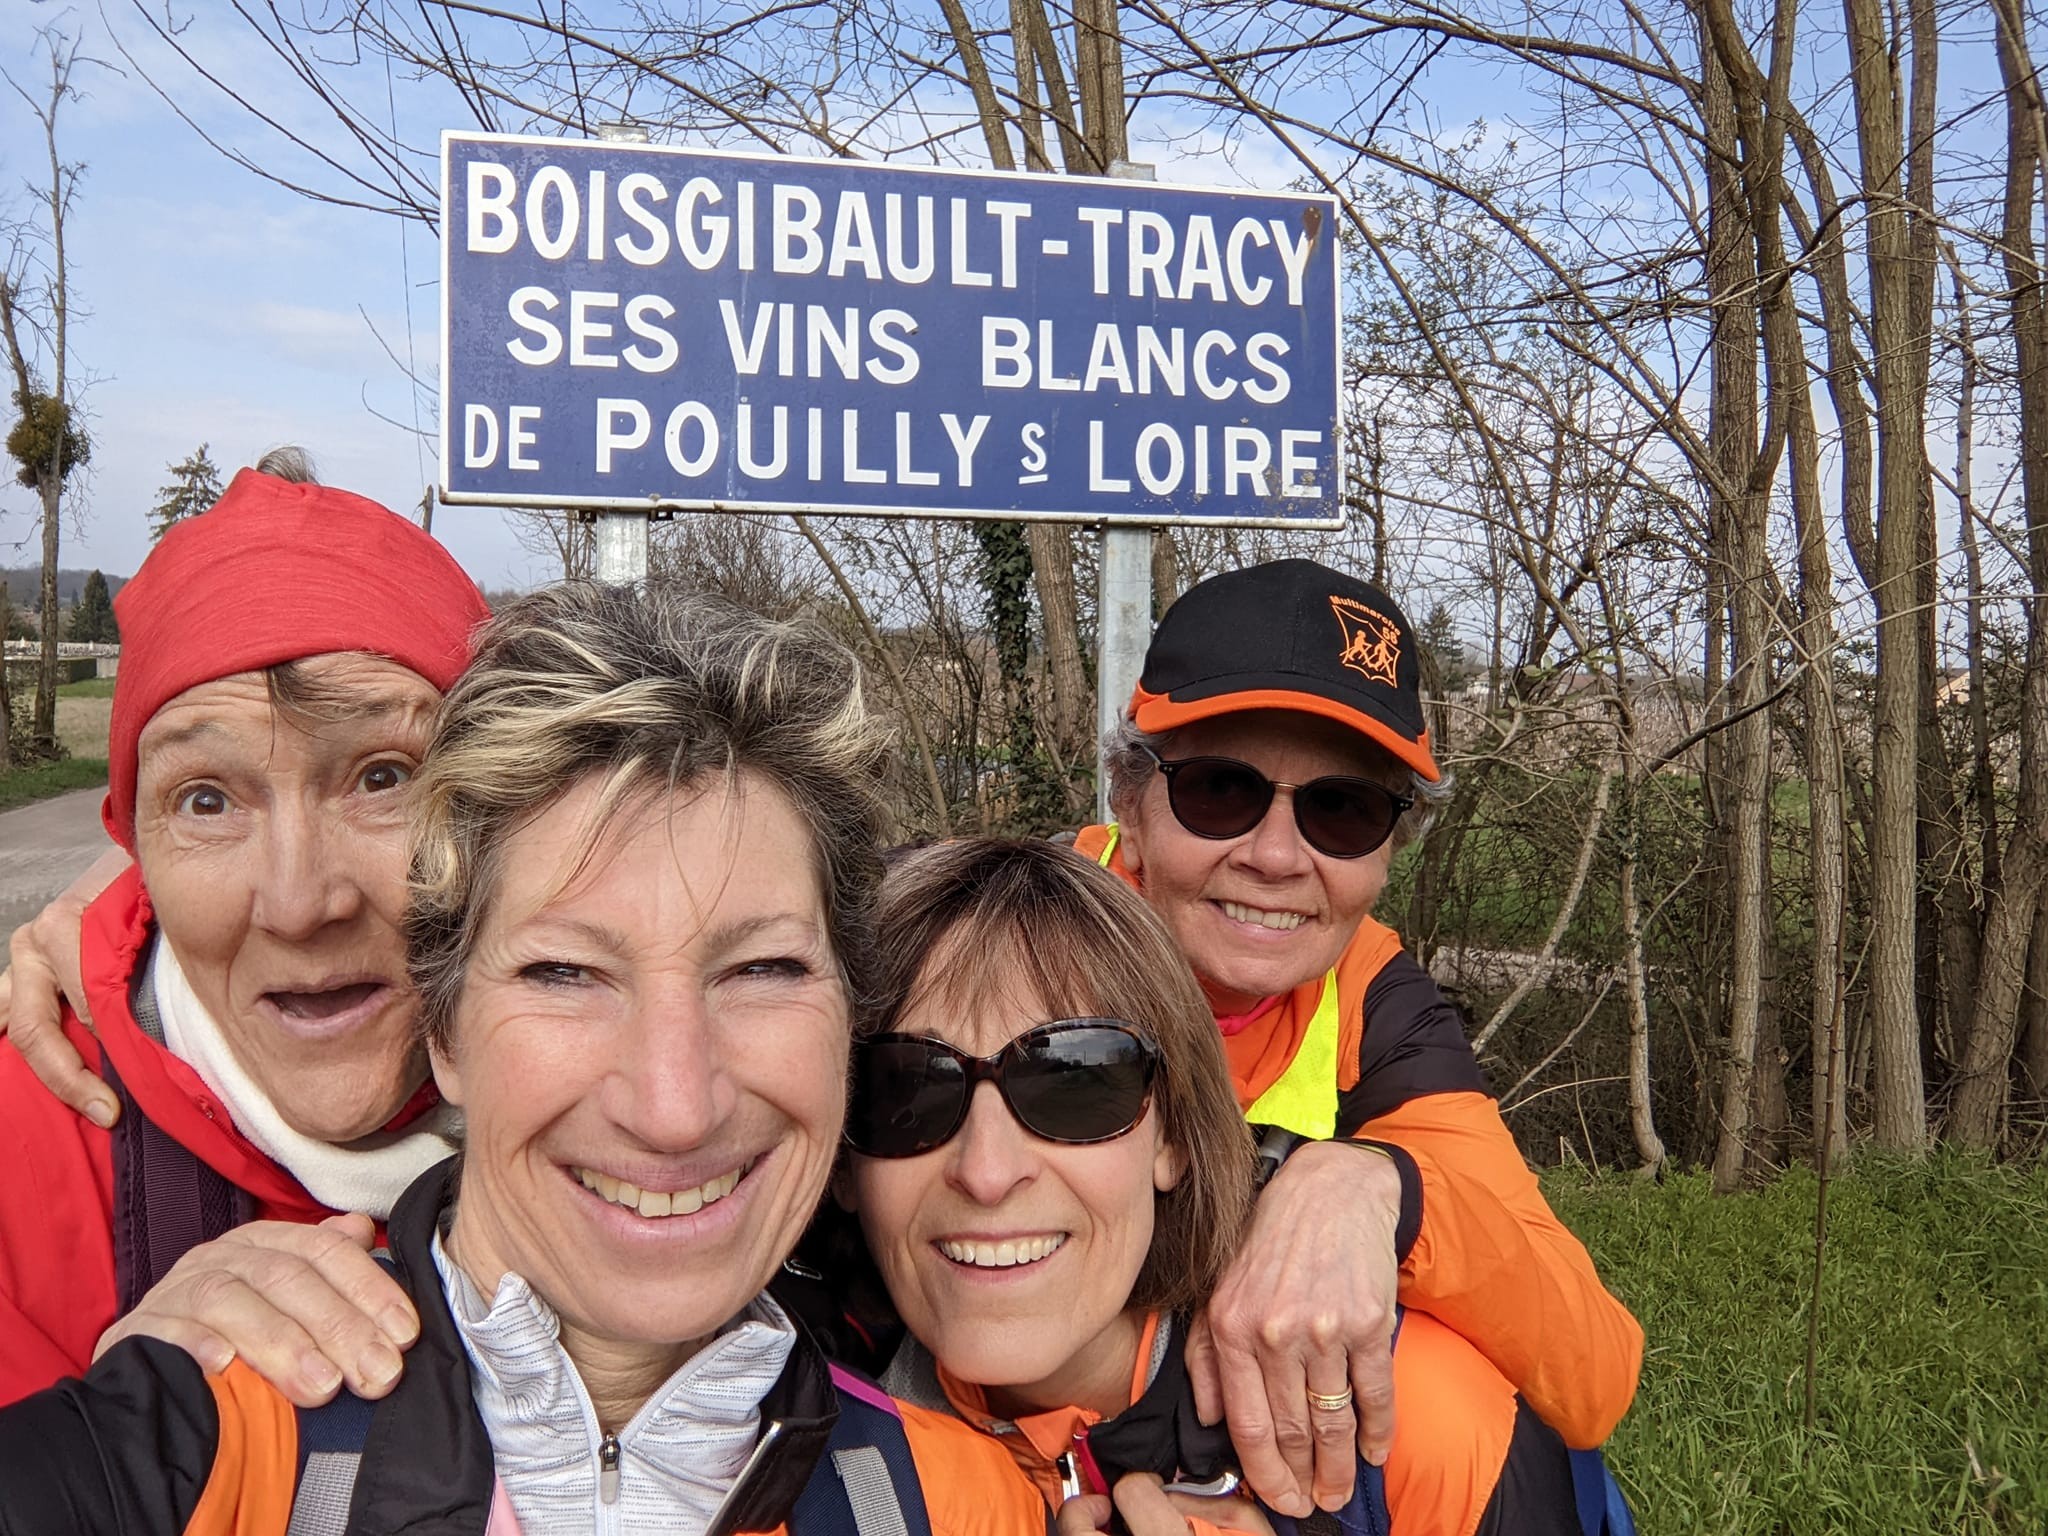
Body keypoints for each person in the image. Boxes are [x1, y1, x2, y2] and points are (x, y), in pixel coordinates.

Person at [0, 584, 1055, 1536]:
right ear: (444, 1031)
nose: (675, 1107)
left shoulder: (972, 1504)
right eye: (562, 974)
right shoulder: (179, 1455)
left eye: (763, 970)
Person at [838, 837, 1631, 1536]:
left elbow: (1592, 1368)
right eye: (909, 1089)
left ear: (1176, 1136)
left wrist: (1373, 1184)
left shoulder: (1403, 1416)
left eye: (1074, 1083)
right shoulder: (793, 1460)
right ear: (839, 1155)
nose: (985, 1170)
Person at [1073, 558, 1642, 1505]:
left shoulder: (1372, 997)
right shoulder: (1015, 954)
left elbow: (1594, 1369)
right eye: (1220, 788)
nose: (1275, 857)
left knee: (1456, 1409)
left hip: (1262, 1461)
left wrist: (1382, 1190)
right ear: (1129, 806)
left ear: (1389, 848)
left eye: (1342, 809)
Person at [0, 462, 490, 1403]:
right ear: (135, 839)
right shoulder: (27, 1160)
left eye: (383, 778)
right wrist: (104, 1450)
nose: (300, 902)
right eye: (208, 800)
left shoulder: (650, 1097)